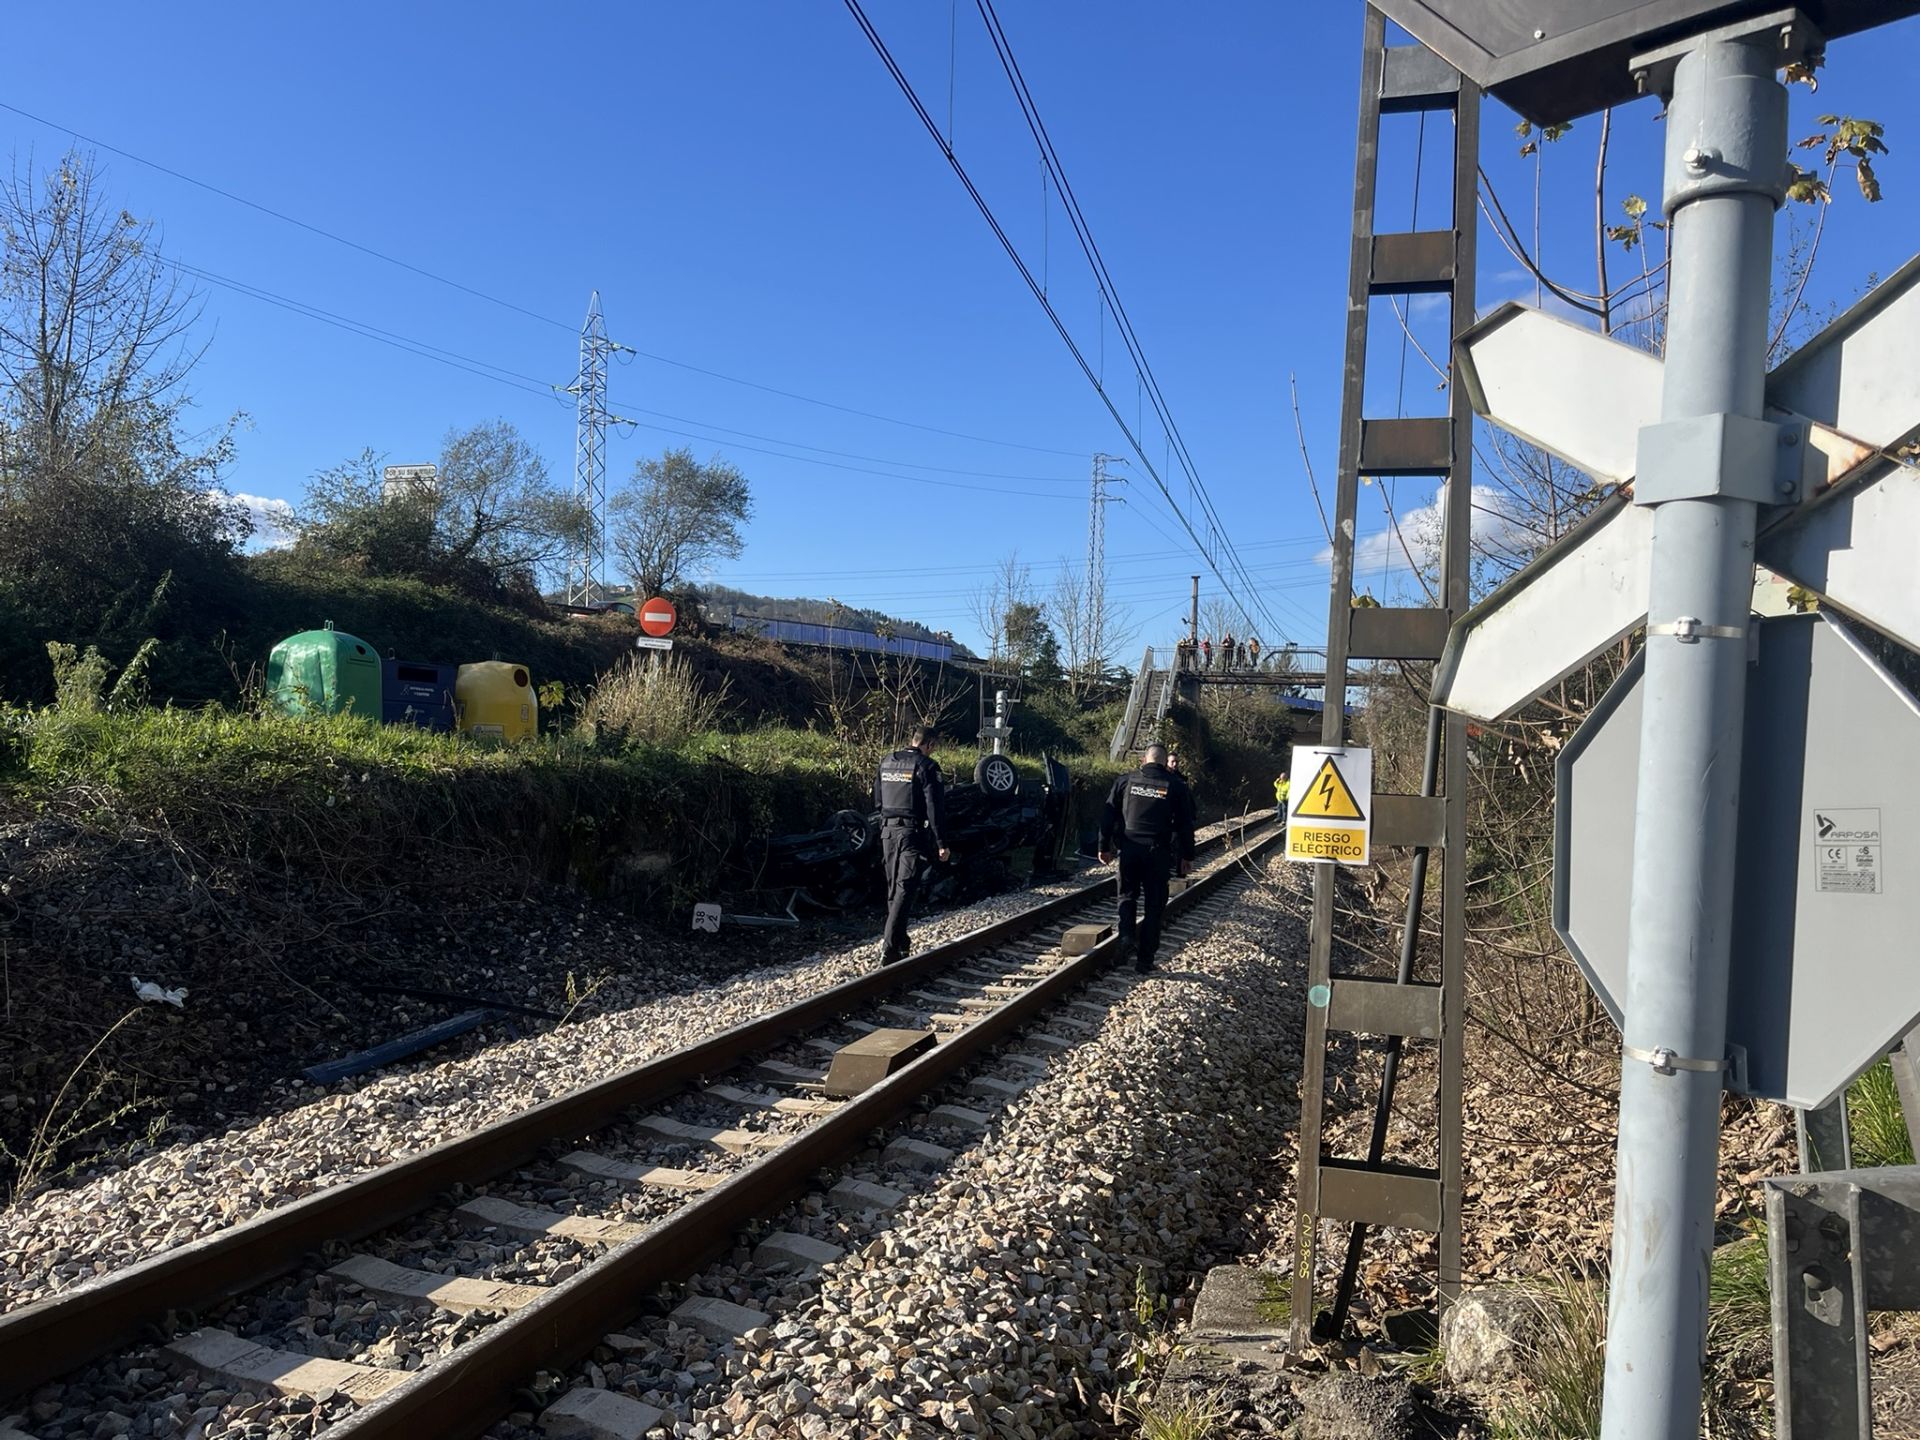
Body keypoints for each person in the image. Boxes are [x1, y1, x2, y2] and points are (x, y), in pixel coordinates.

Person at [1098, 742, 1196, 974]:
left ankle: (1126, 936)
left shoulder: (1125, 781)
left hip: (1129, 851)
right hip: (1158, 853)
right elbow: (1185, 825)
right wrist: (1187, 856)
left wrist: (1104, 846)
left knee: (1126, 897)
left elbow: (1107, 814)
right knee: (1154, 906)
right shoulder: (1176, 786)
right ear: (1165, 763)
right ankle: (1144, 961)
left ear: (1143, 760)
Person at [873, 725, 950, 965]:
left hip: (887, 832)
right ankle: (889, 946)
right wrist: (941, 842)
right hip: (911, 832)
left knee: (893, 889)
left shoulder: (887, 761)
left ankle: (900, 942)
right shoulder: (927, 767)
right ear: (929, 744)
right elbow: (934, 808)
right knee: (905, 888)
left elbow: (877, 800)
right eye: (933, 746)